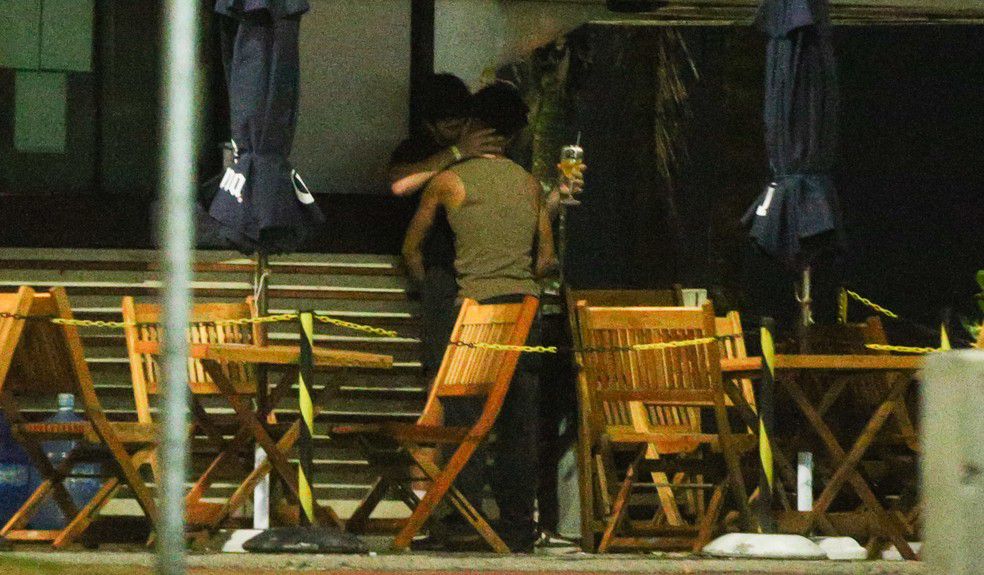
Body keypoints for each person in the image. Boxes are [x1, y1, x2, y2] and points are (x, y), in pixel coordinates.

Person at [402, 81, 556, 553]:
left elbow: (412, 248)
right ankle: (517, 525)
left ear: (473, 124)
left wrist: (427, 289)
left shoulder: (449, 181)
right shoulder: (530, 184)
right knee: (519, 423)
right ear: (514, 135)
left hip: (475, 312)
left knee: (464, 418)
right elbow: (545, 259)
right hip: (525, 312)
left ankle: (461, 522)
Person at [387, 74, 505, 381]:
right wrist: (456, 153)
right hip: (436, 261)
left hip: (477, 263)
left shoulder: (477, 147)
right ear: (430, 124)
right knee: (440, 359)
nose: (458, 131)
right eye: (450, 125)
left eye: (463, 123)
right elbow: (399, 184)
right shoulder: (416, 149)